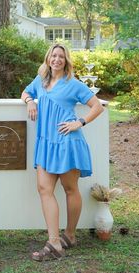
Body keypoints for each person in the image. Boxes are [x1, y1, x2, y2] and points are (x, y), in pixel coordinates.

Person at [21, 43, 104, 261]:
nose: (57, 59)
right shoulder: (41, 81)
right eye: (53, 56)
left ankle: (69, 235)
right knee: (44, 188)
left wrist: (79, 122)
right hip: (46, 143)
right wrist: (30, 101)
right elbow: (25, 92)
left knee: (70, 189)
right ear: (48, 59)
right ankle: (55, 241)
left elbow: (97, 107)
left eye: (61, 56)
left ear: (66, 61)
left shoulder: (74, 84)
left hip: (68, 142)